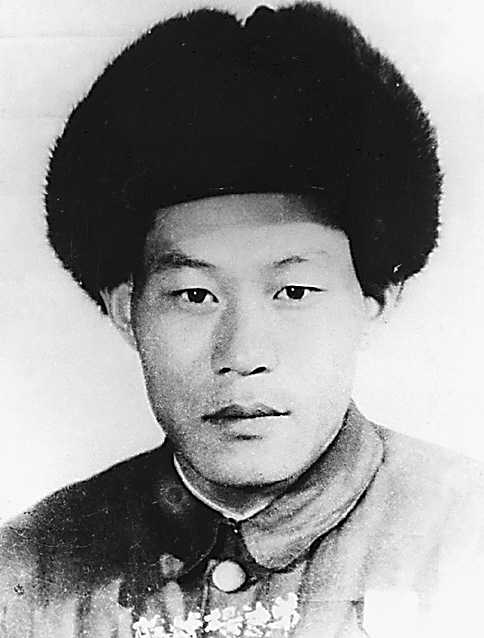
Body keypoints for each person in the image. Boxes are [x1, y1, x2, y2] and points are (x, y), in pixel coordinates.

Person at [0, 3, 482, 637]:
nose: (243, 353)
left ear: (373, 302)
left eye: (294, 291)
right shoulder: (28, 572)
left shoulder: (467, 531)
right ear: (125, 310)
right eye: (195, 295)